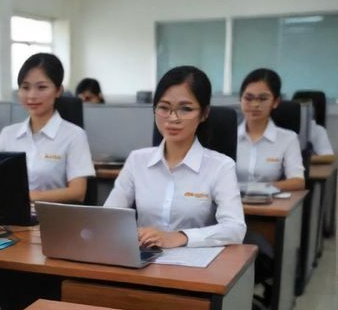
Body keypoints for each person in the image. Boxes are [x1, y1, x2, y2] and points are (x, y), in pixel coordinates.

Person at [104, 66, 246, 248]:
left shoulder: (221, 166)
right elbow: (108, 217)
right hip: (142, 259)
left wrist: (180, 237)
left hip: (196, 266)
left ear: (204, 113)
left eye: (185, 109)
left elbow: (235, 229)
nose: (172, 118)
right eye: (164, 108)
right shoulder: (137, 160)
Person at [0, 53, 95, 203]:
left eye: (41, 87)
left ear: (58, 91)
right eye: (25, 87)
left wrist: (32, 197)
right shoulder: (8, 134)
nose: (31, 95)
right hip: (9, 220)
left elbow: (78, 192)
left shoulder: (74, 135)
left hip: (53, 220)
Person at [236, 69, 305, 191]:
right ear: (240, 99)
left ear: (275, 102)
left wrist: (260, 189)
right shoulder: (227, 136)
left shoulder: (288, 138)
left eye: (263, 99)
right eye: (248, 98)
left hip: (270, 206)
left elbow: (298, 181)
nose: (255, 104)